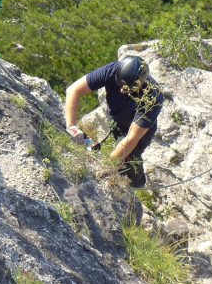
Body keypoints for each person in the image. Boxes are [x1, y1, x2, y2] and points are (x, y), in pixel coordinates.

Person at [64, 55, 163, 187]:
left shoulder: (152, 96)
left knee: (130, 158)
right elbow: (73, 90)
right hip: (117, 118)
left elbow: (132, 139)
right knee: (108, 146)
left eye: (127, 88)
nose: (122, 90)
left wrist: (106, 168)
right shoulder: (112, 70)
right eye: (120, 85)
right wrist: (71, 126)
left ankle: (137, 185)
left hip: (140, 131)